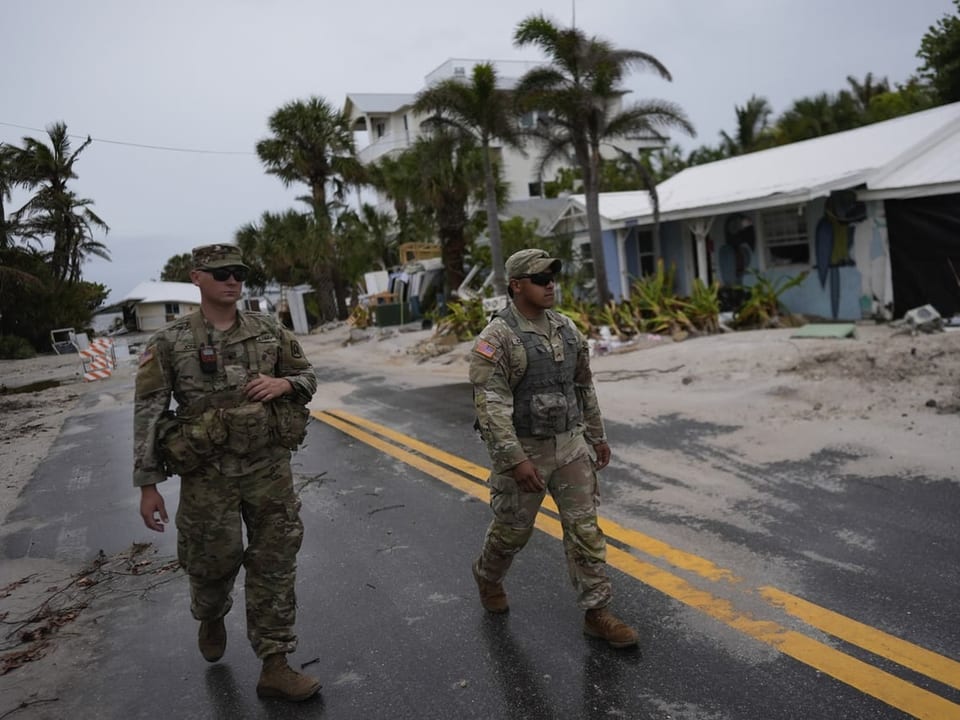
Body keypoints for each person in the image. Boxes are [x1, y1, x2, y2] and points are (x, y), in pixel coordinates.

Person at [133, 243, 321, 701]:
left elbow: (308, 378)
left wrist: (285, 383)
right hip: (207, 474)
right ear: (196, 278)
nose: (232, 280)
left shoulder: (269, 330)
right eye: (220, 274)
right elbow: (148, 413)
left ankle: (274, 663)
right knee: (212, 564)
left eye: (238, 272)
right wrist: (148, 486)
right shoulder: (170, 341)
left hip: (268, 468)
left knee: (275, 561)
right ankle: (211, 614)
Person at [468, 248, 639, 649]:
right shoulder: (497, 338)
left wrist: (596, 436)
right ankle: (487, 575)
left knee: (584, 530)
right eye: (540, 280)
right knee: (512, 532)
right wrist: (515, 460)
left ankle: (597, 612)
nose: (550, 286)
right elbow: (490, 406)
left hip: (570, 446)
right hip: (525, 450)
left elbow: (582, 385)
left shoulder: (566, 328)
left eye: (552, 278)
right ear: (516, 286)